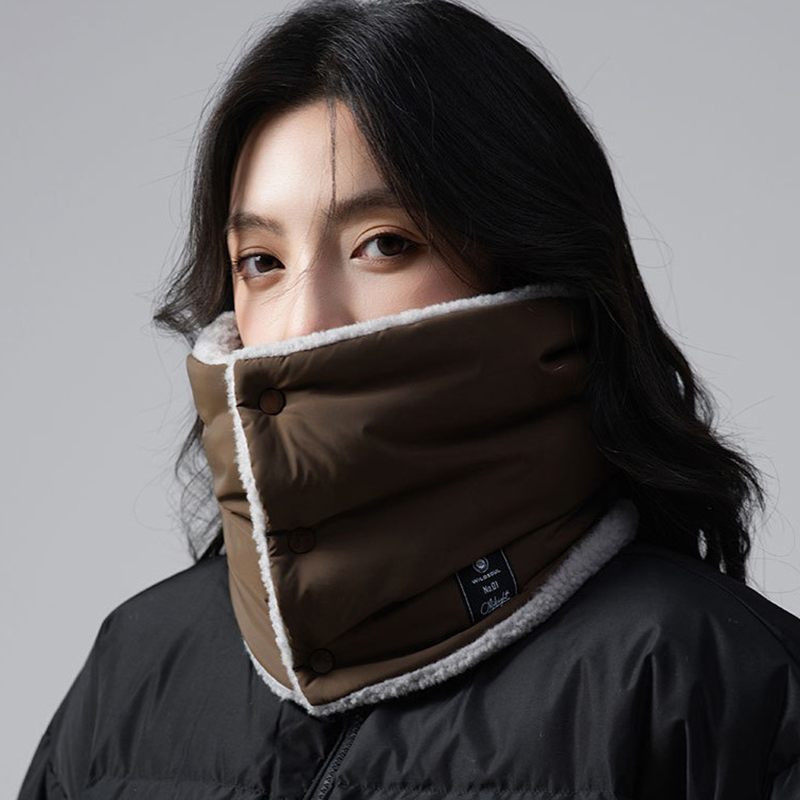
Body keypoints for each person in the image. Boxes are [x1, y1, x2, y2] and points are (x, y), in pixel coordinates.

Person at [18, 0, 800, 797]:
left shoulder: (714, 684)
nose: (302, 324)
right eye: (261, 261)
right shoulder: (136, 666)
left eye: (385, 245)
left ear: (529, 266)